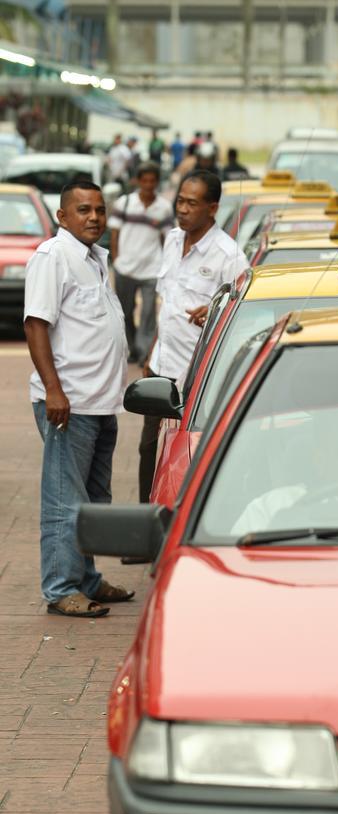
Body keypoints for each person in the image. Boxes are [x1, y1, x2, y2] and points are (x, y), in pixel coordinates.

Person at [23, 180, 133, 618]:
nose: (94, 218)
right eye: (83, 210)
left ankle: (87, 579)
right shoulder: (54, 257)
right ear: (62, 217)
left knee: (92, 502)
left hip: (101, 402)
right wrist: (53, 389)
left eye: (99, 210)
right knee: (64, 501)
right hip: (68, 404)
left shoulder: (95, 259)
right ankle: (61, 588)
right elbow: (35, 325)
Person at [137, 170, 249, 504]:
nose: (182, 209)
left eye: (192, 203)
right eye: (180, 201)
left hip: (197, 375)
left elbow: (239, 321)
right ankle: (145, 527)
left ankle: (185, 519)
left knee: (189, 451)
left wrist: (214, 313)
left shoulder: (229, 256)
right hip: (162, 367)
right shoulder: (172, 239)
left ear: (212, 208)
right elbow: (166, 303)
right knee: (148, 447)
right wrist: (151, 353)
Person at [108, 161, 174, 364]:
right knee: (125, 312)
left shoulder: (163, 208)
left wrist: (166, 264)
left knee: (148, 313)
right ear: (138, 181)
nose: (148, 185)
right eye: (144, 180)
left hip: (151, 270)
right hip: (125, 268)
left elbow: (168, 238)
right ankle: (134, 348)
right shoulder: (124, 203)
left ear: (156, 182)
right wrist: (117, 259)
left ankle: (145, 351)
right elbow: (114, 233)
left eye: (152, 181)